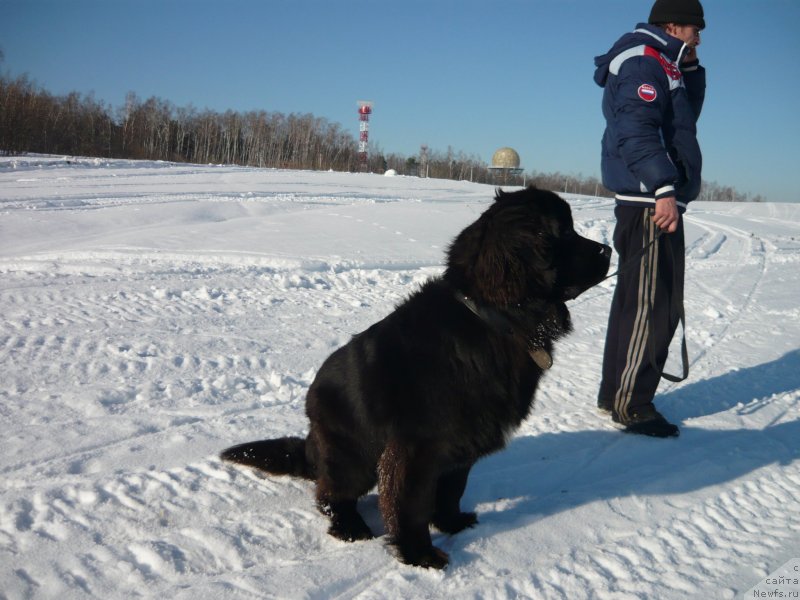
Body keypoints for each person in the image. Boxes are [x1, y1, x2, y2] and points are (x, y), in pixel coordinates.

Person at [593, 0, 706, 437]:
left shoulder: (664, 62)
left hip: (652, 198)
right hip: (649, 202)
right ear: (675, 25)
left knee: (637, 303)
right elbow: (636, 129)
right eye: (696, 29)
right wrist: (662, 187)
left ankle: (617, 393)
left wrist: (691, 71)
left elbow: (682, 123)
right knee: (650, 307)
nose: (699, 37)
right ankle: (632, 404)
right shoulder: (644, 61)